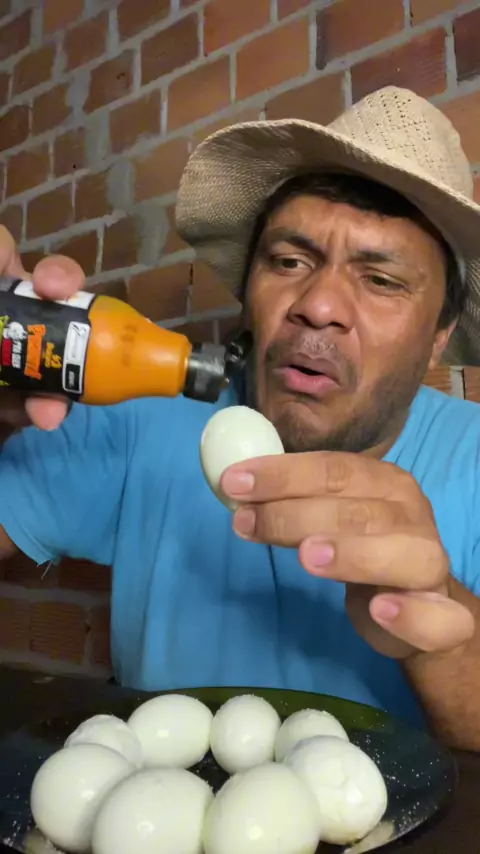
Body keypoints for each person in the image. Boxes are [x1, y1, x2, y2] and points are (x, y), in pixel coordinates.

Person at [0, 85, 479, 749]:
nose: (318, 305)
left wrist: (443, 639)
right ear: (250, 288)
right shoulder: (140, 419)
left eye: (381, 279)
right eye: (289, 261)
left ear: (438, 336)